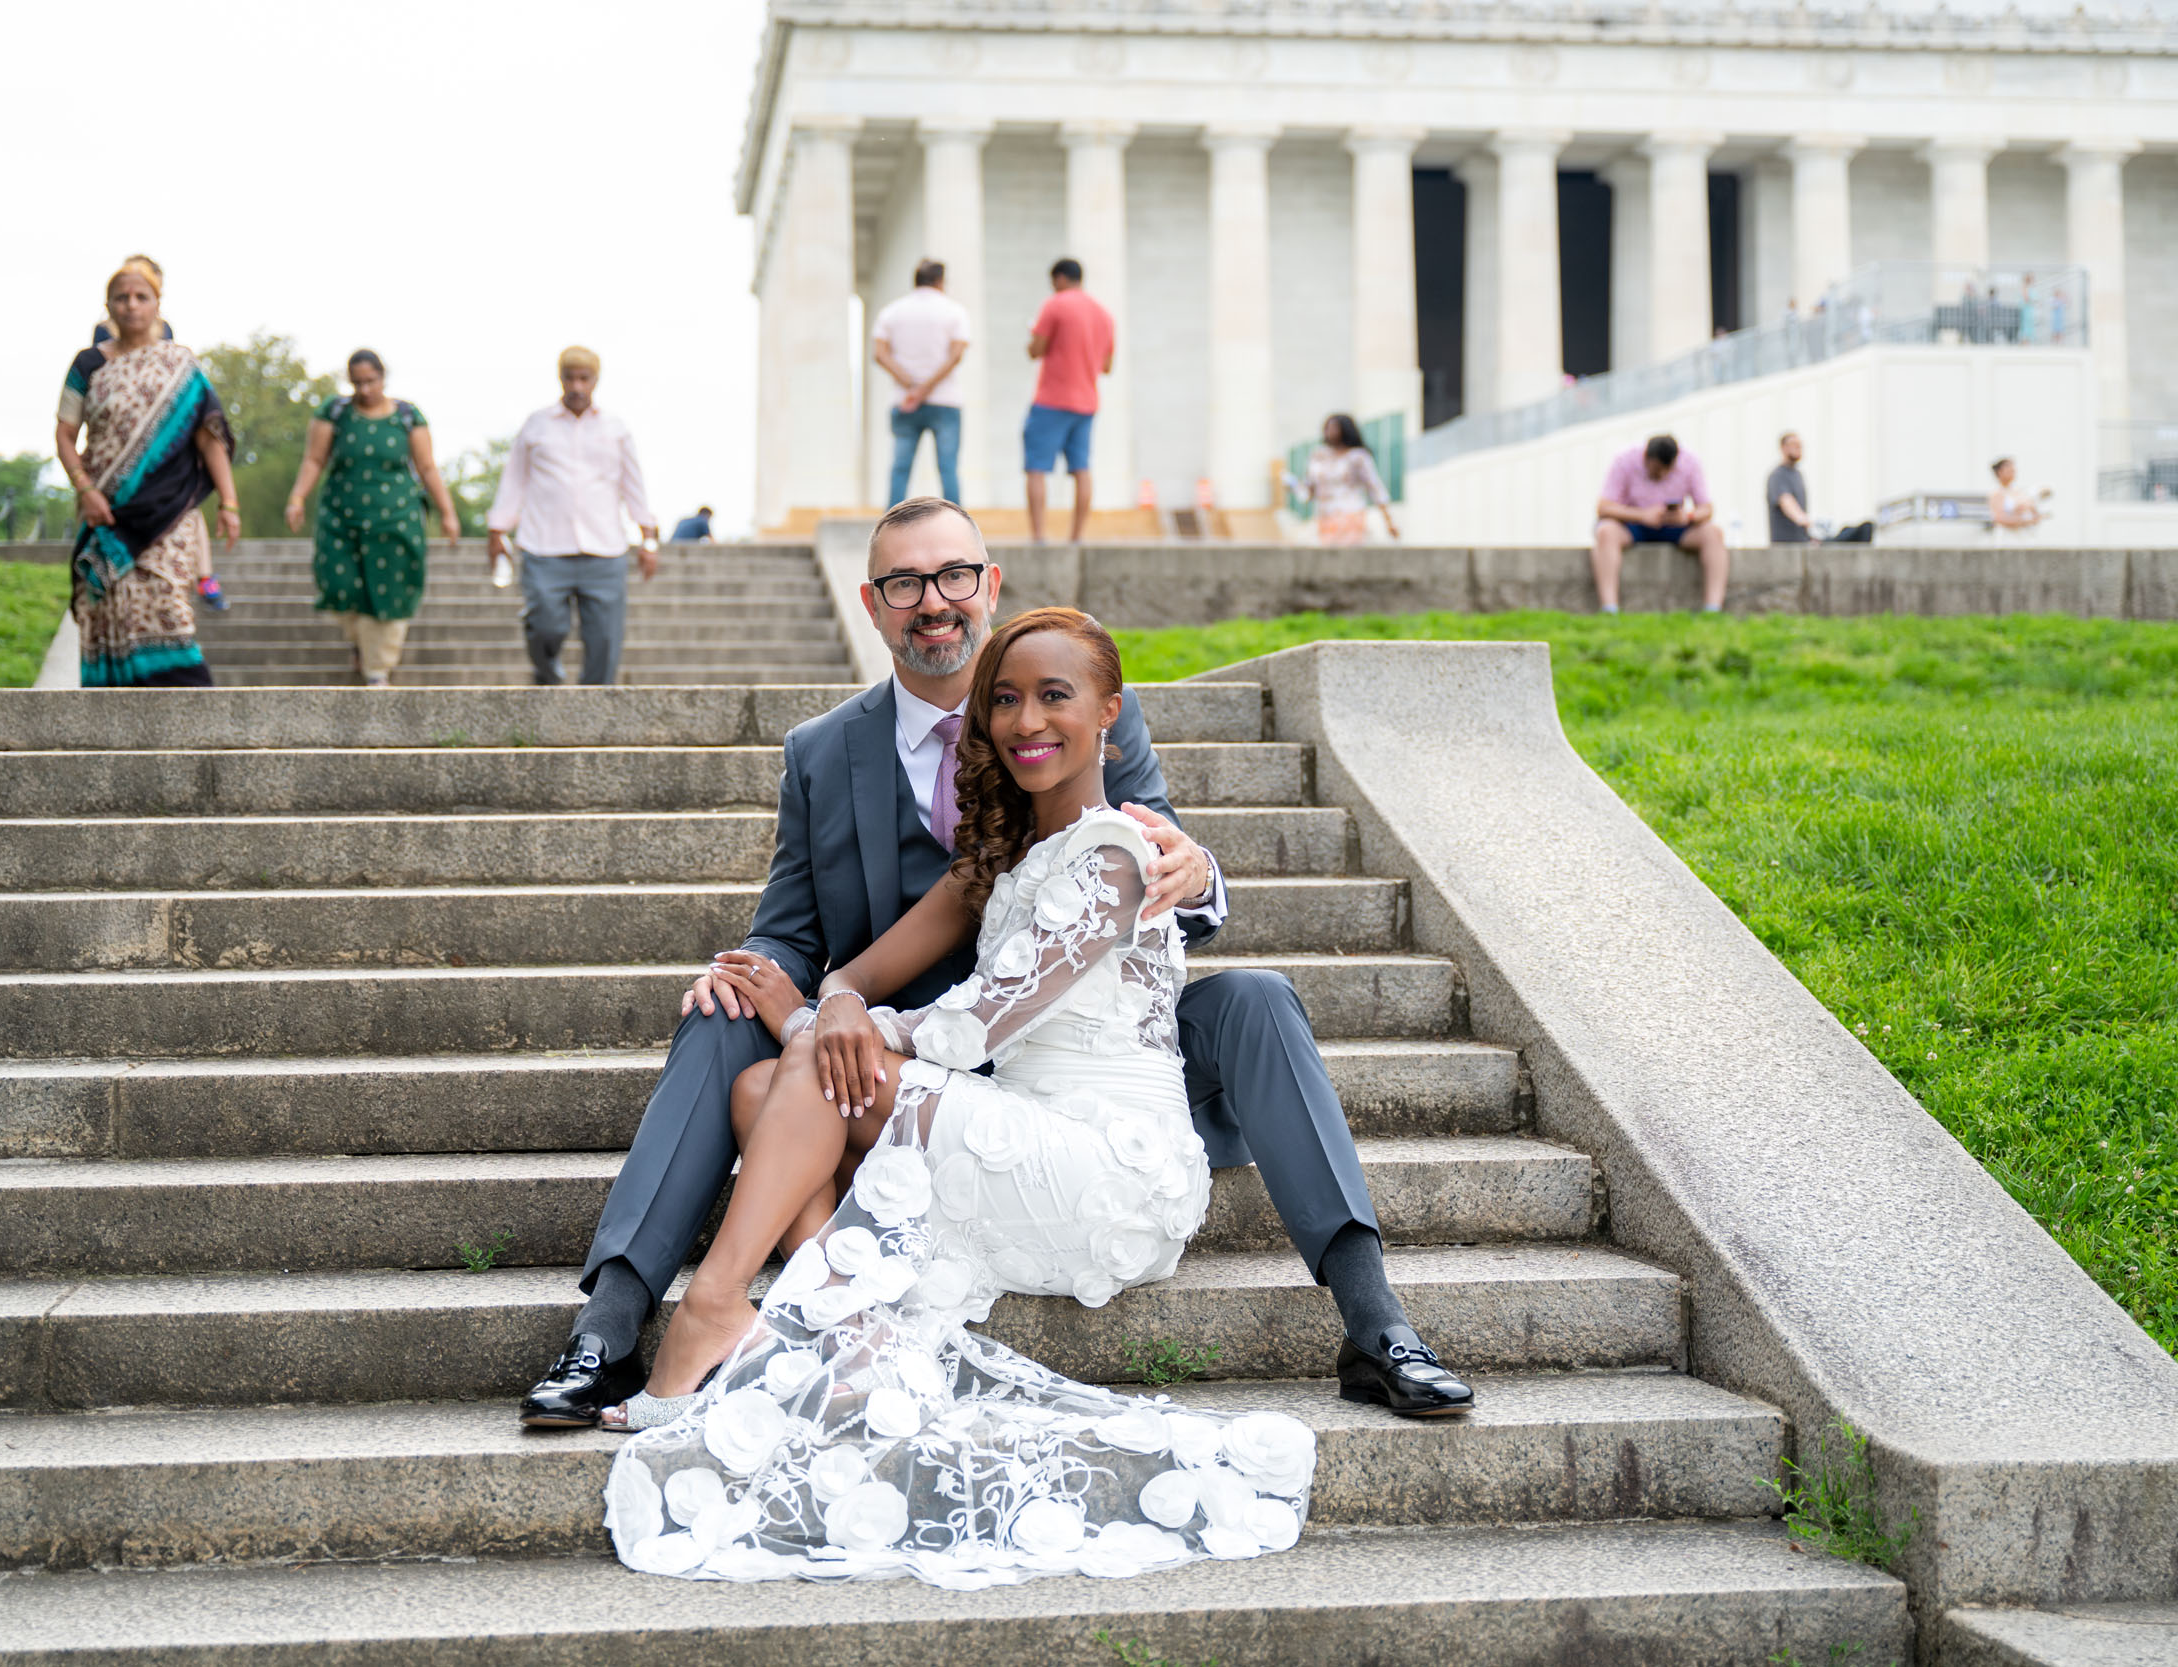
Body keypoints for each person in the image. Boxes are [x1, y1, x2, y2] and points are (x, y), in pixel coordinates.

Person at [522, 495, 1472, 1436]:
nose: (933, 600)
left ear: (990, 585)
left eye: (953, 576)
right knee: (732, 1024)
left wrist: (1196, 868)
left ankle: (1375, 1317)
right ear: (873, 601)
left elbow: (1140, 847)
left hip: (1067, 1055)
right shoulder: (827, 754)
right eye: (905, 582)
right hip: (913, 1052)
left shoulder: (1070, 707)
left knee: (1258, 1000)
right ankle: (617, 1323)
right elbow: (801, 931)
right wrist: (771, 980)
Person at [603, 605, 1326, 1587]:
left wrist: (806, 1019)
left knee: (801, 1064)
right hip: (1030, 1131)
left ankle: (715, 1307)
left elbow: (970, 1025)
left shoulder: (1119, 855)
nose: (1026, 718)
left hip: (1108, 1166)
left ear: (1110, 712)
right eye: (1006, 700)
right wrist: (826, 1005)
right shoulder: (1013, 861)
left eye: (1054, 695)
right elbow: (857, 980)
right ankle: (853, 1351)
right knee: (759, 1086)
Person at [53, 255, 240, 687]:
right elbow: (65, 434)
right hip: (106, 510)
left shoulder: (181, 366)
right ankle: (114, 717)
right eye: (121, 298)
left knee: (166, 602)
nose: (131, 305)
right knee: (109, 608)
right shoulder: (87, 365)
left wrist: (229, 503)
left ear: (158, 303)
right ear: (109, 306)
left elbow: (209, 439)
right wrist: (85, 490)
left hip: (167, 513)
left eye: (142, 296)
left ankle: (188, 706)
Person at [283, 350, 459, 688]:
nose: (364, 389)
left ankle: (377, 668)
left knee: (390, 590)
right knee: (341, 584)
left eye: (371, 381)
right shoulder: (335, 413)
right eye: (357, 383)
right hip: (342, 514)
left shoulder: (407, 416)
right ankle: (365, 645)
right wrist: (297, 497)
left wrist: (447, 512)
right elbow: (314, 460)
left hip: (395, 517)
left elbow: (426, 467)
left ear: (383, 377)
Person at [487, 347, 659, 686]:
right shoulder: (537, 424)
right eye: (570, 377)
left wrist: (648, 538)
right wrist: (497, 530)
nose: (577, 386)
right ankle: (548, 679)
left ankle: (593, 707)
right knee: (545, 625)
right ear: (560, 379)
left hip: (604, 548)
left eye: (585, 378)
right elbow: (515, 479)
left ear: (595, 380)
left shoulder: (616, 428)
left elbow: (633, 484)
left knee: (605, 640)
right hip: (544, 546)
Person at [1023, 257, 1115, 543]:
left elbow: (1035, 350)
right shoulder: (1103, 314)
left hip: (1052, 399)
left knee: (1036, 467)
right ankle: (1076, 536)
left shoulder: (1055, 304)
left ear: (1060, 278)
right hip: (1087, 402)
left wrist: (1033, 335)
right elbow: (1107, 366)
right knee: (1082, 469)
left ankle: (1039, 535)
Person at [872, 259, 972, 507]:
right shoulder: (954, 311)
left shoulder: (891, 311)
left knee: (900, 468)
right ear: (940, 281)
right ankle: (956, 526)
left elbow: (879, 353)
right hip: (945, 401)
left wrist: (910, 386)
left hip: (904, 401)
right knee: (948, 468)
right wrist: (926, 387)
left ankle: (891, 525)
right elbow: (956, 354)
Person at [1591, 434, 1729, 614]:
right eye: (1656, 470)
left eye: (1666, 470)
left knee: (1714, 533)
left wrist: (1687, 516)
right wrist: (1642, 515)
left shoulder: (1690, 463)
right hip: (1634, 524)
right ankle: (1609, 608)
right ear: (1645, 458)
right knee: (1605, 531)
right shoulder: (1624, 461)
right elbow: (1603, 508)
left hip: (1674, 526)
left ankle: (1713, 609)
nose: (1661, 475)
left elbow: (1707, 509)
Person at [1296, 414, 1398, 546]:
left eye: (1334, 428)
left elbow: (1375, 487)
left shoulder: (1357, 457)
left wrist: (1389, 521)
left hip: (1350, 514)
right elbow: (1309, 490)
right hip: (1324, 515)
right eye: (1327, 428)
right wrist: (1296, 487)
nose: (1330, 432)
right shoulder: (1318, 455)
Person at [1767, 431, 1816, 545]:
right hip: (1785, 546)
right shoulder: (1778, 475)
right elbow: (1786, 501)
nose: (1798, 448)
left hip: (1802, 542)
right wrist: (1805, 521)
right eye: (1794, 445)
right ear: (1783, 448)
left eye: (1800, 445)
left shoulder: (1797, 475)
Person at [1988, 456, 2048, 535]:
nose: (2012, 471)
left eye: (2013, 469)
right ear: (1999, 472)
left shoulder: (2020, 491)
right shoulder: (1996, 494)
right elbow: (1998, 518)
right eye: (2008, 469)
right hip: (2007, 535)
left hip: (2024, 534)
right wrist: (2022, 520)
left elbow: (2033, 511)